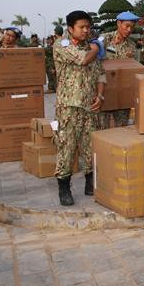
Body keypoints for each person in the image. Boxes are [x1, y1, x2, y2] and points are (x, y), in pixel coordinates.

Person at [53, 10, 106, 206]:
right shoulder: (61, 45)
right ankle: (64, 187)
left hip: (90, 106)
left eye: (88, 27)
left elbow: (101, 74)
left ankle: (90, 182)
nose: (86, 30)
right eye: (81, 27)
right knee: (66, 146)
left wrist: (100, 96)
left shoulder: (90, 47)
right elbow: (83, 59)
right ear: (70, 28)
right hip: (69, 107)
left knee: (89, 145)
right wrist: (95, 46)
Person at [98, 11, 139, 129]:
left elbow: (133, 67)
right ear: (118, 23)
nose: (129, 30)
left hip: (122, 90)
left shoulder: (131, 44)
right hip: (105, 89)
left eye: (132, 27)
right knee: (102, 128)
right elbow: (95, 62)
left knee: (122, 128)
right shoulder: (105, 39)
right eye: (127, 26)